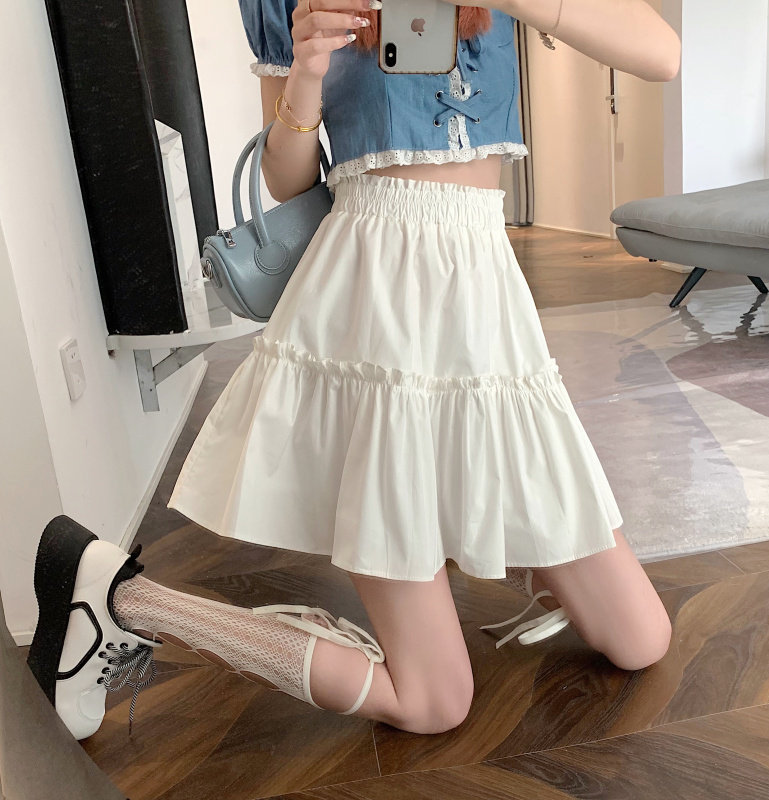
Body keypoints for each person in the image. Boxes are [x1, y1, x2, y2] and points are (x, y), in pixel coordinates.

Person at [27, 0, 681, 740]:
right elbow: (287, 179)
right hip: (372, 301)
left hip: (484, 287)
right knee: (434, 703)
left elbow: (660, 53)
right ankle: (116, 602)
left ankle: (498, 539)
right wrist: (307, 71)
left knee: (642, 639)